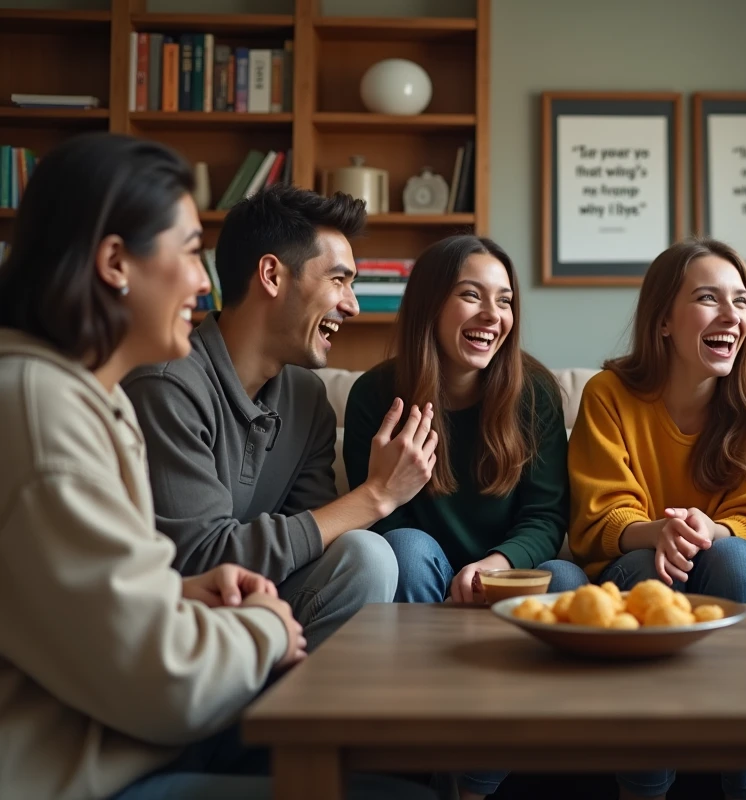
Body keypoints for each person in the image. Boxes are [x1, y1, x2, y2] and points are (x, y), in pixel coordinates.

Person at [0, 132, 433, 800]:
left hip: (146, 706)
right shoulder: (52, 410)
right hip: (99, 761)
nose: (204, 283)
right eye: (191, 253)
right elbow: (158, 659)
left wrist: (186, 595)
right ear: (116, 261)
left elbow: (87, 594)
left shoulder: (83, 398)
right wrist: (262, 624)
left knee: (367, 566)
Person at [122, 184, 436, 650]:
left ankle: (298, 712)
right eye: (338, 280)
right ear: (271, 274)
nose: (352, 304)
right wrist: (375, 495)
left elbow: (317, 537)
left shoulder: (308, 398)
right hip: (181, 621)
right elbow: (200, 559)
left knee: (366, 555)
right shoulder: (168, 384)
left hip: (265, 606)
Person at [569, 238, 746, 800]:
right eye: (707, 299)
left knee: (736, 557)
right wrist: (661, 531)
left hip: (728, 567)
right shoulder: (608, 395)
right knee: (651, 565)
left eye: (741, 301)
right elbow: (598, 519)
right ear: (664, 321)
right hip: (634, 570)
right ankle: (644, 789)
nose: (731, 316)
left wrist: (702, 529)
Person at [343, 234, 586, 608]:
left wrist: (499, 564)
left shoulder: (536, 393)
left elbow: (545, 516)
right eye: (472, 295)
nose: (493, 315)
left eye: (504, 301)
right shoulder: (373, 396)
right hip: (422, 570)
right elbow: (379, 518)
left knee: (567, 576)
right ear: (430, 305)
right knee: (406, 549)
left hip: (507, 570)